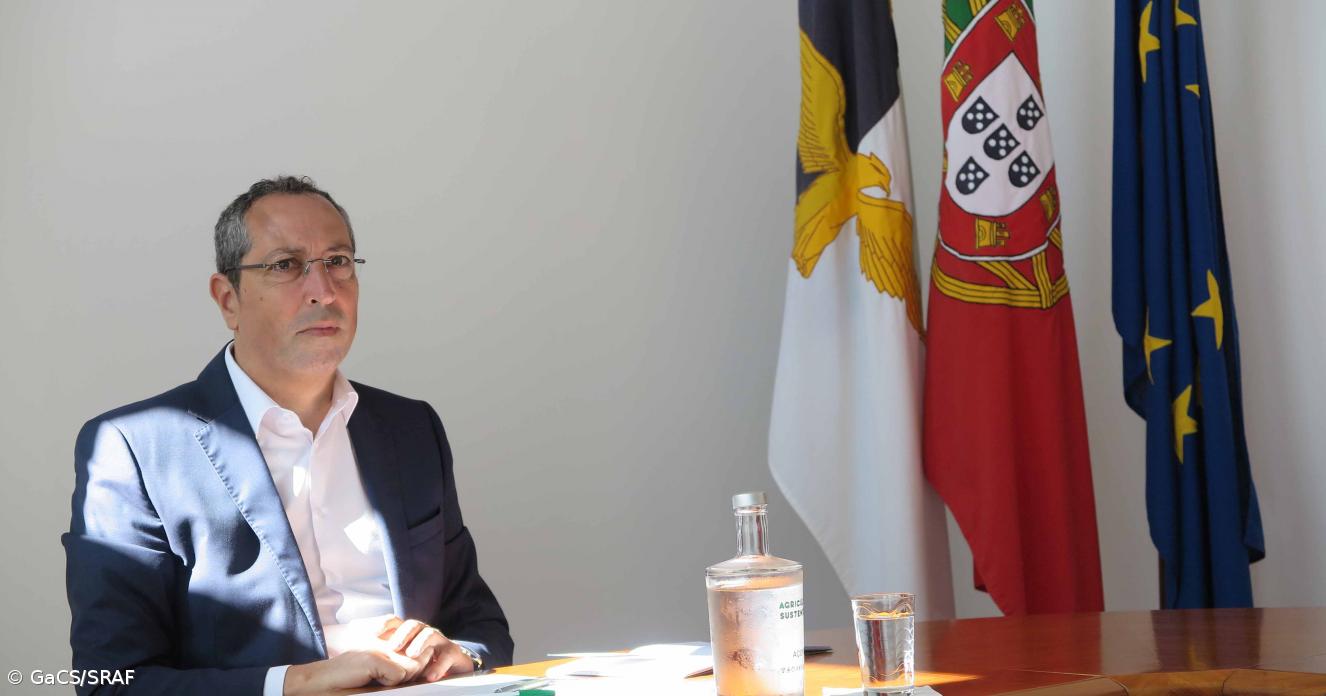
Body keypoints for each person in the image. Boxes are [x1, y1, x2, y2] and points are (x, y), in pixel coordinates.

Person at [63, 176, 512, 695]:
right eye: (286, 265)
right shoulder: (132, 448)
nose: (324, 290)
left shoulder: (411, 427)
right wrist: (294, 683)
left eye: (338, 261)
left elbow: (481, 625)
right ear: (228, 299)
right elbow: (108, 681)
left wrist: (462, 655)